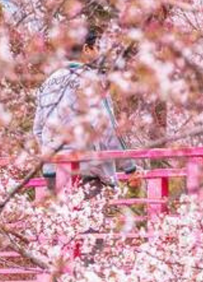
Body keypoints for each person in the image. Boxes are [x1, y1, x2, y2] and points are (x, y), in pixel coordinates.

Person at [33, 33, 138, 194]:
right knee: (90, 216)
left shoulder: (48, 82)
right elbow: (106, 126)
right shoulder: (91, 79)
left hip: (53, 171)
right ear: (86, 49)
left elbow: (38, 129)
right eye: (99, 49)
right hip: (85, 169)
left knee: (62, 218)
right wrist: (129, 168)